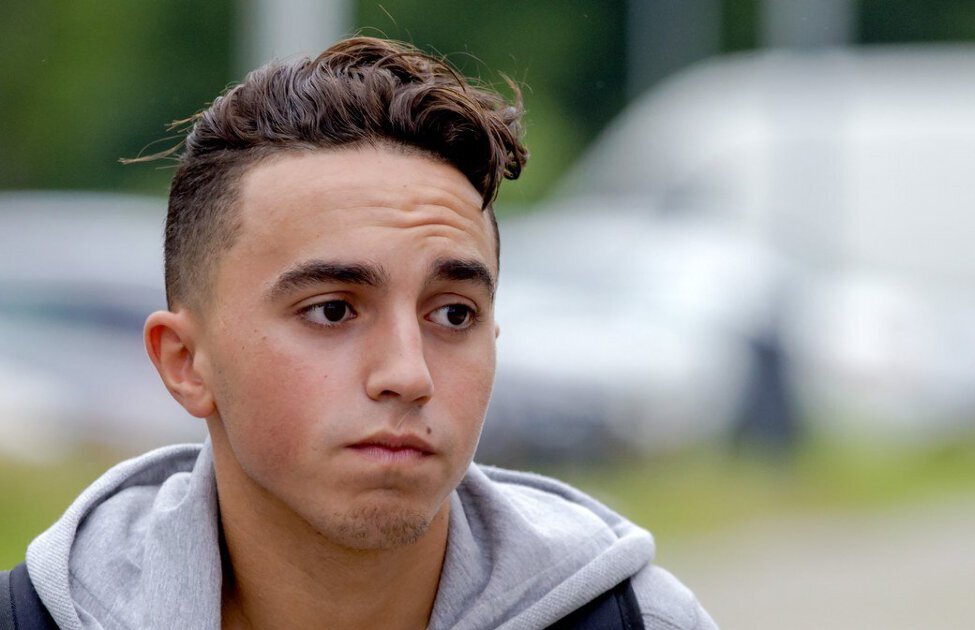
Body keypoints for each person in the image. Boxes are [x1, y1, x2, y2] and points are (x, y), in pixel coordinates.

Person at [7, 37, 715, 629]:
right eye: (332, 311)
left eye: (453, 314)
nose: (409, 374)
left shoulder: (637, 621)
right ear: (186, 362)